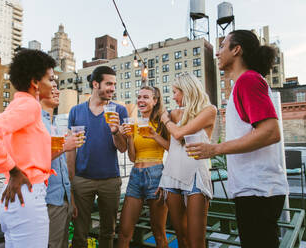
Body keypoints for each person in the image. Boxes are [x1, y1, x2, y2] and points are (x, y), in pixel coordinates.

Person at [186, 30, 289, 248]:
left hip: (258, 191)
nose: (217, 53)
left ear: (236, 50)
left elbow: (270, 132)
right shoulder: (243, 84)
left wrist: (215, 149)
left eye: (223, 46)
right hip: (253, 190)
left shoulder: (248, 80)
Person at [0, 49, 57, 247]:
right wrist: (14, 170)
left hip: (15, 197)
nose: (53, 84)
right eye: (50, 79)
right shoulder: (30, 106)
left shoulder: (17, 106)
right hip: (27, 195)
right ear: (35, 82)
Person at [67, 65, 128, 248]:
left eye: (114, 84)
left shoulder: (120, 111)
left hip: (110, 180)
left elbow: (123, 149)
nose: (112, 88)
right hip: (81, 180)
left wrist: (116, 132)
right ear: (95, 84)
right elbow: (71, 151)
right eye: (108, 83)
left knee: (108, 232)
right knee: (79, 233)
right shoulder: (75, 111)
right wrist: (71, 184)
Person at [158, 73, 217, 248]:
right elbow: (173, 145)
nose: (173, 96)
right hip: (172, 177)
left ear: (187, 91)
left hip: (196, 178)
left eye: (176, 92)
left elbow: (178, 133)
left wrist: (166, 120)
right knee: (181, 237)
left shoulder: (209, 111)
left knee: (196, 241)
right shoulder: (176, 113)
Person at [117, 86, 169, 248]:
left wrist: (154, 134)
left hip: (156, 175)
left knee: (158, 232)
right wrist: (130, 138)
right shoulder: (135, 124)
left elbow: (172, 149)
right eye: (139, 97)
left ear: (155, 101)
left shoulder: (163, 122)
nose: (141, 100)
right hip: (135, 175)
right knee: (124, 232)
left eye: (146, 97)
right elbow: (133, 158)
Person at [41, 81, 83, 248]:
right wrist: (66, 146)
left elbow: (62, 167)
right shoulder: (36, 122)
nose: (57, 91)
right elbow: (34, 161)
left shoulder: (53, 126)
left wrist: (70, 200)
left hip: (62, 201)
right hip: (48, 201)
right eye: (53, 87)